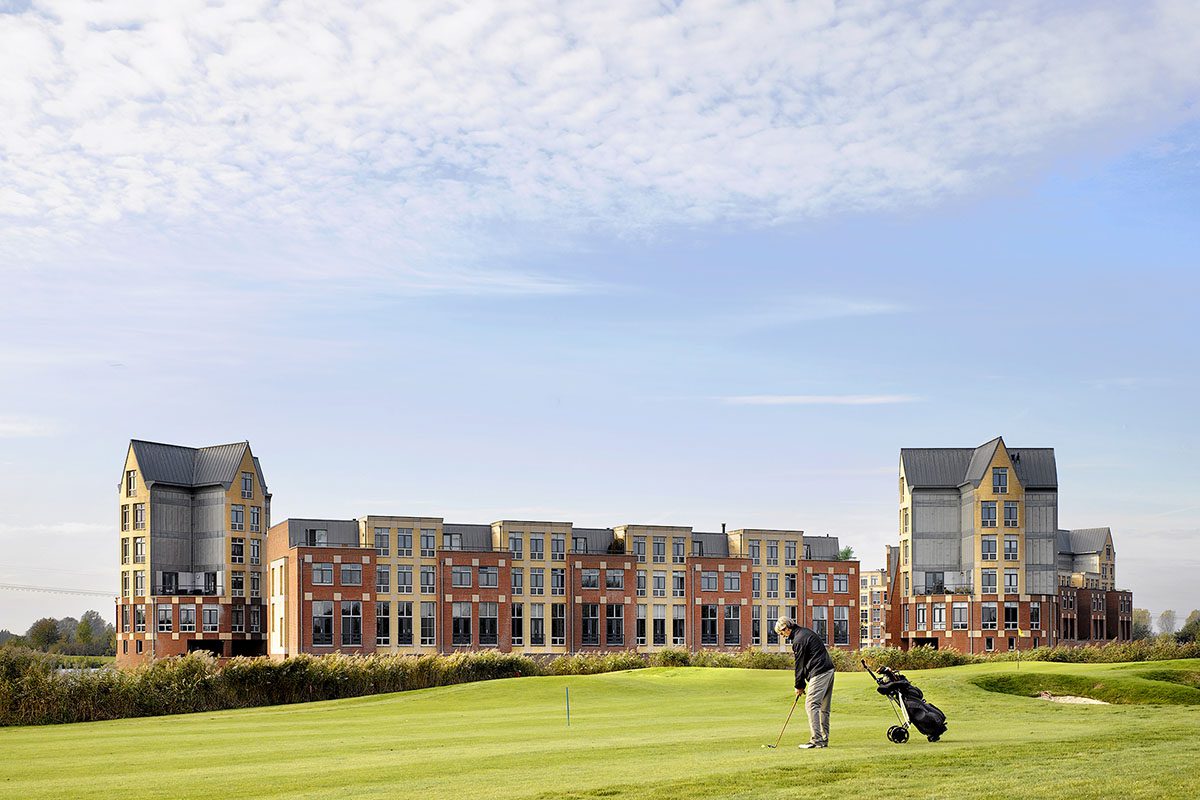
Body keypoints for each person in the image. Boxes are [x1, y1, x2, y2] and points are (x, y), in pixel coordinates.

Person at [775, 616, 835, 749]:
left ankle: (817, 740)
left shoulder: (799, 639)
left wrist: (799, 686)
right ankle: (823, 740)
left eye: (781, 633)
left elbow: (799, 666)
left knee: (811, 705)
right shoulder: (804, 632)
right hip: (828, 670)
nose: (782, 636)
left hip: (819, 672)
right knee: (824, 708)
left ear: (786, 628)